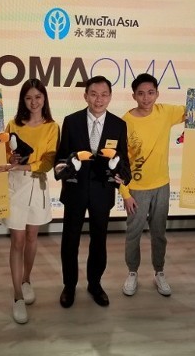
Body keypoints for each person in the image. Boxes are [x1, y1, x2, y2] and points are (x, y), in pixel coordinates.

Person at [54, 75, 131, 308]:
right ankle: (69, 285)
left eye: (104, 94)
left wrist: (122, 175)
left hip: (102, 192)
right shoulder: (71, 121)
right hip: (75, 191)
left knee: (99, 240)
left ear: (110, 97)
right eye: (94, 94)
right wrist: (68, 167)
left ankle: (95, 284)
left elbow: (124, 163)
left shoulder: (118, 125)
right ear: (85, 96)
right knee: (70, 240)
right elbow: (61, 159)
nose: (99, 99)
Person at [0, 78, 59, 324]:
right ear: (23, 100)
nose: (34, 102)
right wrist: (12, 160)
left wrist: (24, 166)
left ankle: (26, 279)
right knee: (18, 240)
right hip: (15, 186)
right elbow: (5, 154)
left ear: (44, 99)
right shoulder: (13, 124)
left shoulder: (52, 126)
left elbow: (49, 161)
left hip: (37, 185)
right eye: (29, 97)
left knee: (32, 237)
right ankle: (17, 296)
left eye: (38, 97)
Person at [119, 73, 185, 297]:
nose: (146, 98)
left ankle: (159, 271)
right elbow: (118, 162)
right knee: (133, 233)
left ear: (157, 94)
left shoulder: (165, 112)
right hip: (136, 189)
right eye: (141, 93)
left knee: (159, 232)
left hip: (162, 185)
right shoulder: (125, 122)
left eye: (150, 93)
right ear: (133, 96)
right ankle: (132, 272)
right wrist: (125, 193)